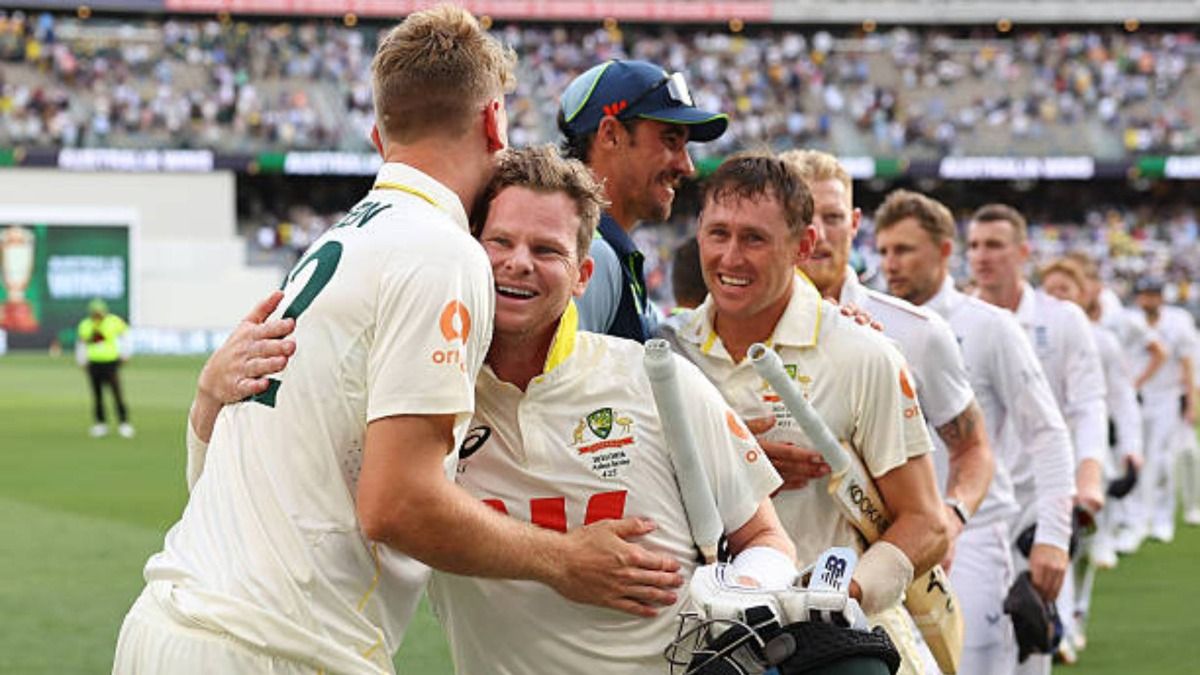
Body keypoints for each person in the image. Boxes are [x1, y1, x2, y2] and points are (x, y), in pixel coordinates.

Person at [114, 10, 681, 675]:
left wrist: (208, 388)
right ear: (493, 121)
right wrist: (564, 559)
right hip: (274, 646)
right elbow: (397, 502)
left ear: (379, 133)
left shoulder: (336, 241)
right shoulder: (440, 253)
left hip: (171, 619)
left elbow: (213, 465)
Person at [427, 145, 794, 674]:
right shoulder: (431, 394)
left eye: (547, 250)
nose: (519, 262)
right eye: (500, 242)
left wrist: (741, 594)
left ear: (582, 275)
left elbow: (763, 537)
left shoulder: (659, 381)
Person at [661, 154, 948, 675]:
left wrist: (838, 596)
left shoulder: (863, 354)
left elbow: (927, 522)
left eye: (754, 239)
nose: (730, 256)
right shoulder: (665, 350)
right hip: (701, 648)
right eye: (717, 233)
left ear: (804, 246)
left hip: (833, 651)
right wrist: (734, 461)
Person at [874, 190, 1074, 675]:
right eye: (882, 251)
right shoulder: (869, 321)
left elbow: (1047, 433)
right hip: (890, 540)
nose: (889, 264)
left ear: (944, 251)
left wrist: (1054, 536)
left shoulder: (989, 327)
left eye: (904, 250)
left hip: (976, 538)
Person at [781, 149, 993, 576]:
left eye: (833, 217)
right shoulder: (731, 333)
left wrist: (951, 517)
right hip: (771, 577)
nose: (818, 233)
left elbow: (972, 447)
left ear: (856, 223)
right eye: (803, 215)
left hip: (890, 583)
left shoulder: (917, 332)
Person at [966, 203, 1108, 673]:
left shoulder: (1063, 320)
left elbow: (1088, 405)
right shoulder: (955, 320)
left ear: (1023, 252)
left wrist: (1088, 478)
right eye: (973, 246)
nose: (981, 256)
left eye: (994, 245)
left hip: (1035, 502)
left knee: (1028, 641)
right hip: (972, 510)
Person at [558, 59, 728, 342]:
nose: (687, 167)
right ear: (611, 135)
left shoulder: (602, 245)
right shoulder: (591, 253)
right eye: (671, 141)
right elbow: (556, 384)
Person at [1038, 257, 1141, 656]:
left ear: (1083, 295)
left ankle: (1074, 615)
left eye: (1065, 290)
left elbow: (1120, 399)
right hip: (1037, 458)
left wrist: (1131, 447)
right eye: (1050, 290)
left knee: (1079, 541)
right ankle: (1051, 624)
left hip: (1082, 453)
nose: (1056, 298)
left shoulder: (1103, 342)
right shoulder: (1023, 332)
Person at [1123, 275, 1197, 549]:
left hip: (1166, 396)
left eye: (1153, 294)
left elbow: (1188, 363)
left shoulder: (1178, 322)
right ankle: (1135, 518)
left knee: (1164, 460)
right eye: (1144, 294)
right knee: (1133, 458)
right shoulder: (1128, 321)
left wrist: (1191, 402)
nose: (1148, 300)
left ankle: (1162, 519)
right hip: (1135, 398)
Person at [76, 297, 133, 438]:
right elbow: (82, 344)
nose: (97, 315)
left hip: (111, 362)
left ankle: (124, 423)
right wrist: (81, 360)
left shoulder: (113, 321)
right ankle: (100, 424)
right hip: (93, 363)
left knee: (117, 393)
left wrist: (125, 353)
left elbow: (126, 336)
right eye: (95, 312)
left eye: (99, 312)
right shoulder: (85, 325)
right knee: (97, 395)